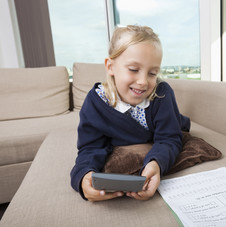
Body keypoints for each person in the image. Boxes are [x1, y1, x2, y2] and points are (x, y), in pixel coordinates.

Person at [70, 25, 190, 202]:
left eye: (152, 73)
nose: (143, 82)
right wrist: (83, 176)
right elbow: (90, 147)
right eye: (133, 70)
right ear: (110, 67)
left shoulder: (162, 94)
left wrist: (156, 163)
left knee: (179, 126)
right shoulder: (95, 102)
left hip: (173, 122)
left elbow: (168, 138)